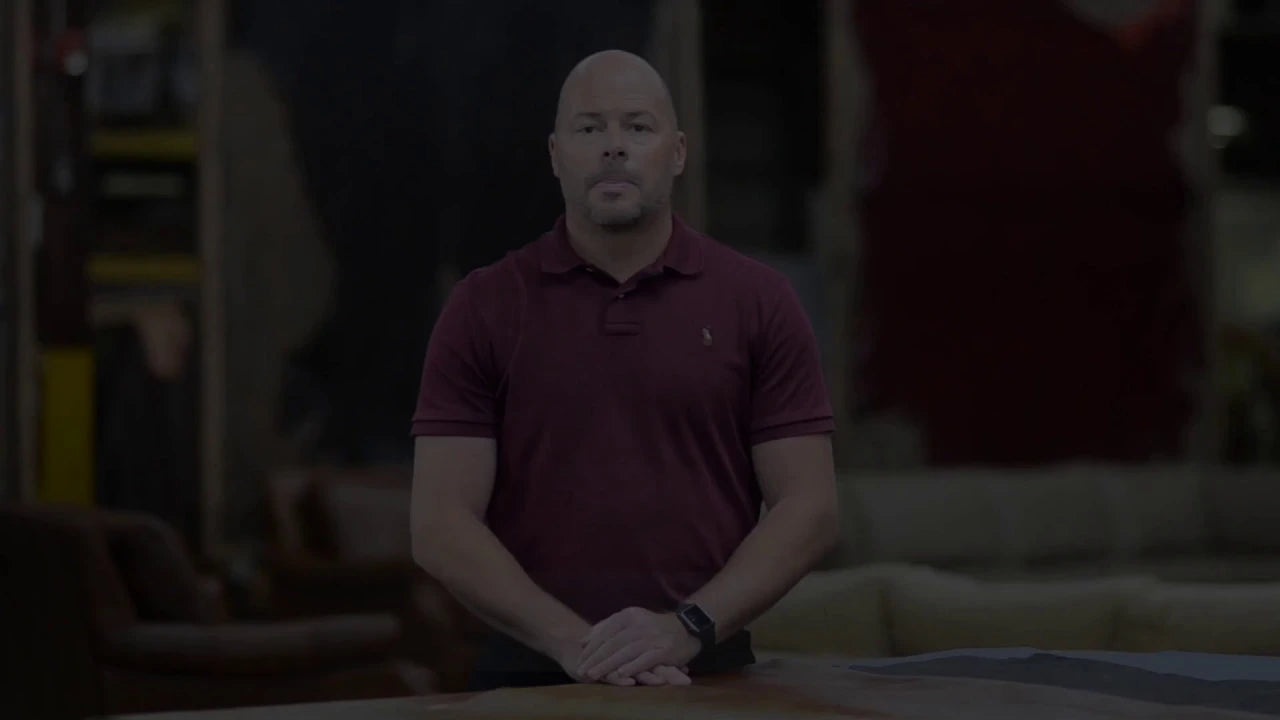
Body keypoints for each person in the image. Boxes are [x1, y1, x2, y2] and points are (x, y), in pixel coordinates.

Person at [409, 49, 838, 691]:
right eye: (590, 128)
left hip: (706, 670)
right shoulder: (484, 305)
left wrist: (685, 627)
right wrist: (576, 645)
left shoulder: (759, 302)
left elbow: (811, 507)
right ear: (556, 154)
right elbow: (439, 525)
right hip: (530, 673)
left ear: (678, 152)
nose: (614, 146)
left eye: (637, 127)